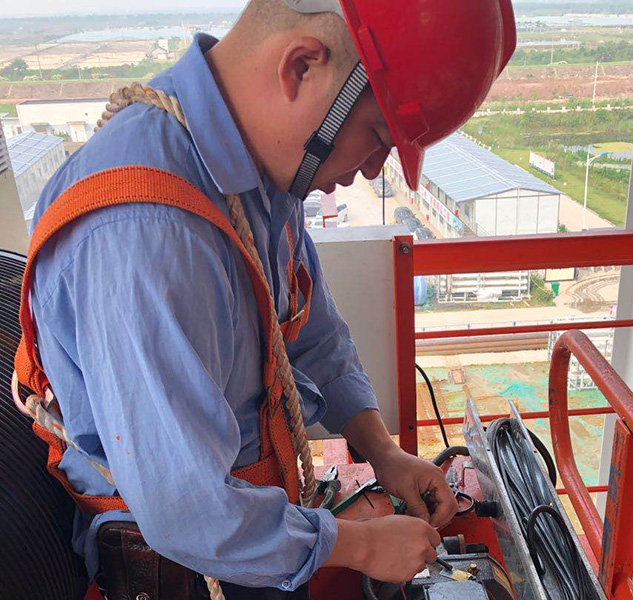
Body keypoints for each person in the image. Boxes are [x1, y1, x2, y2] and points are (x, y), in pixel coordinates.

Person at [19, 1, 515, 598]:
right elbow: (187, 512)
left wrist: (384, 452)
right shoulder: (144, 235)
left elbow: (312, 334)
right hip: (196, 565)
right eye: (377, 137)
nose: (371, 170)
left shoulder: (257, 174)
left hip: (259, 529)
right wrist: (361, 546)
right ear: (301, 67)